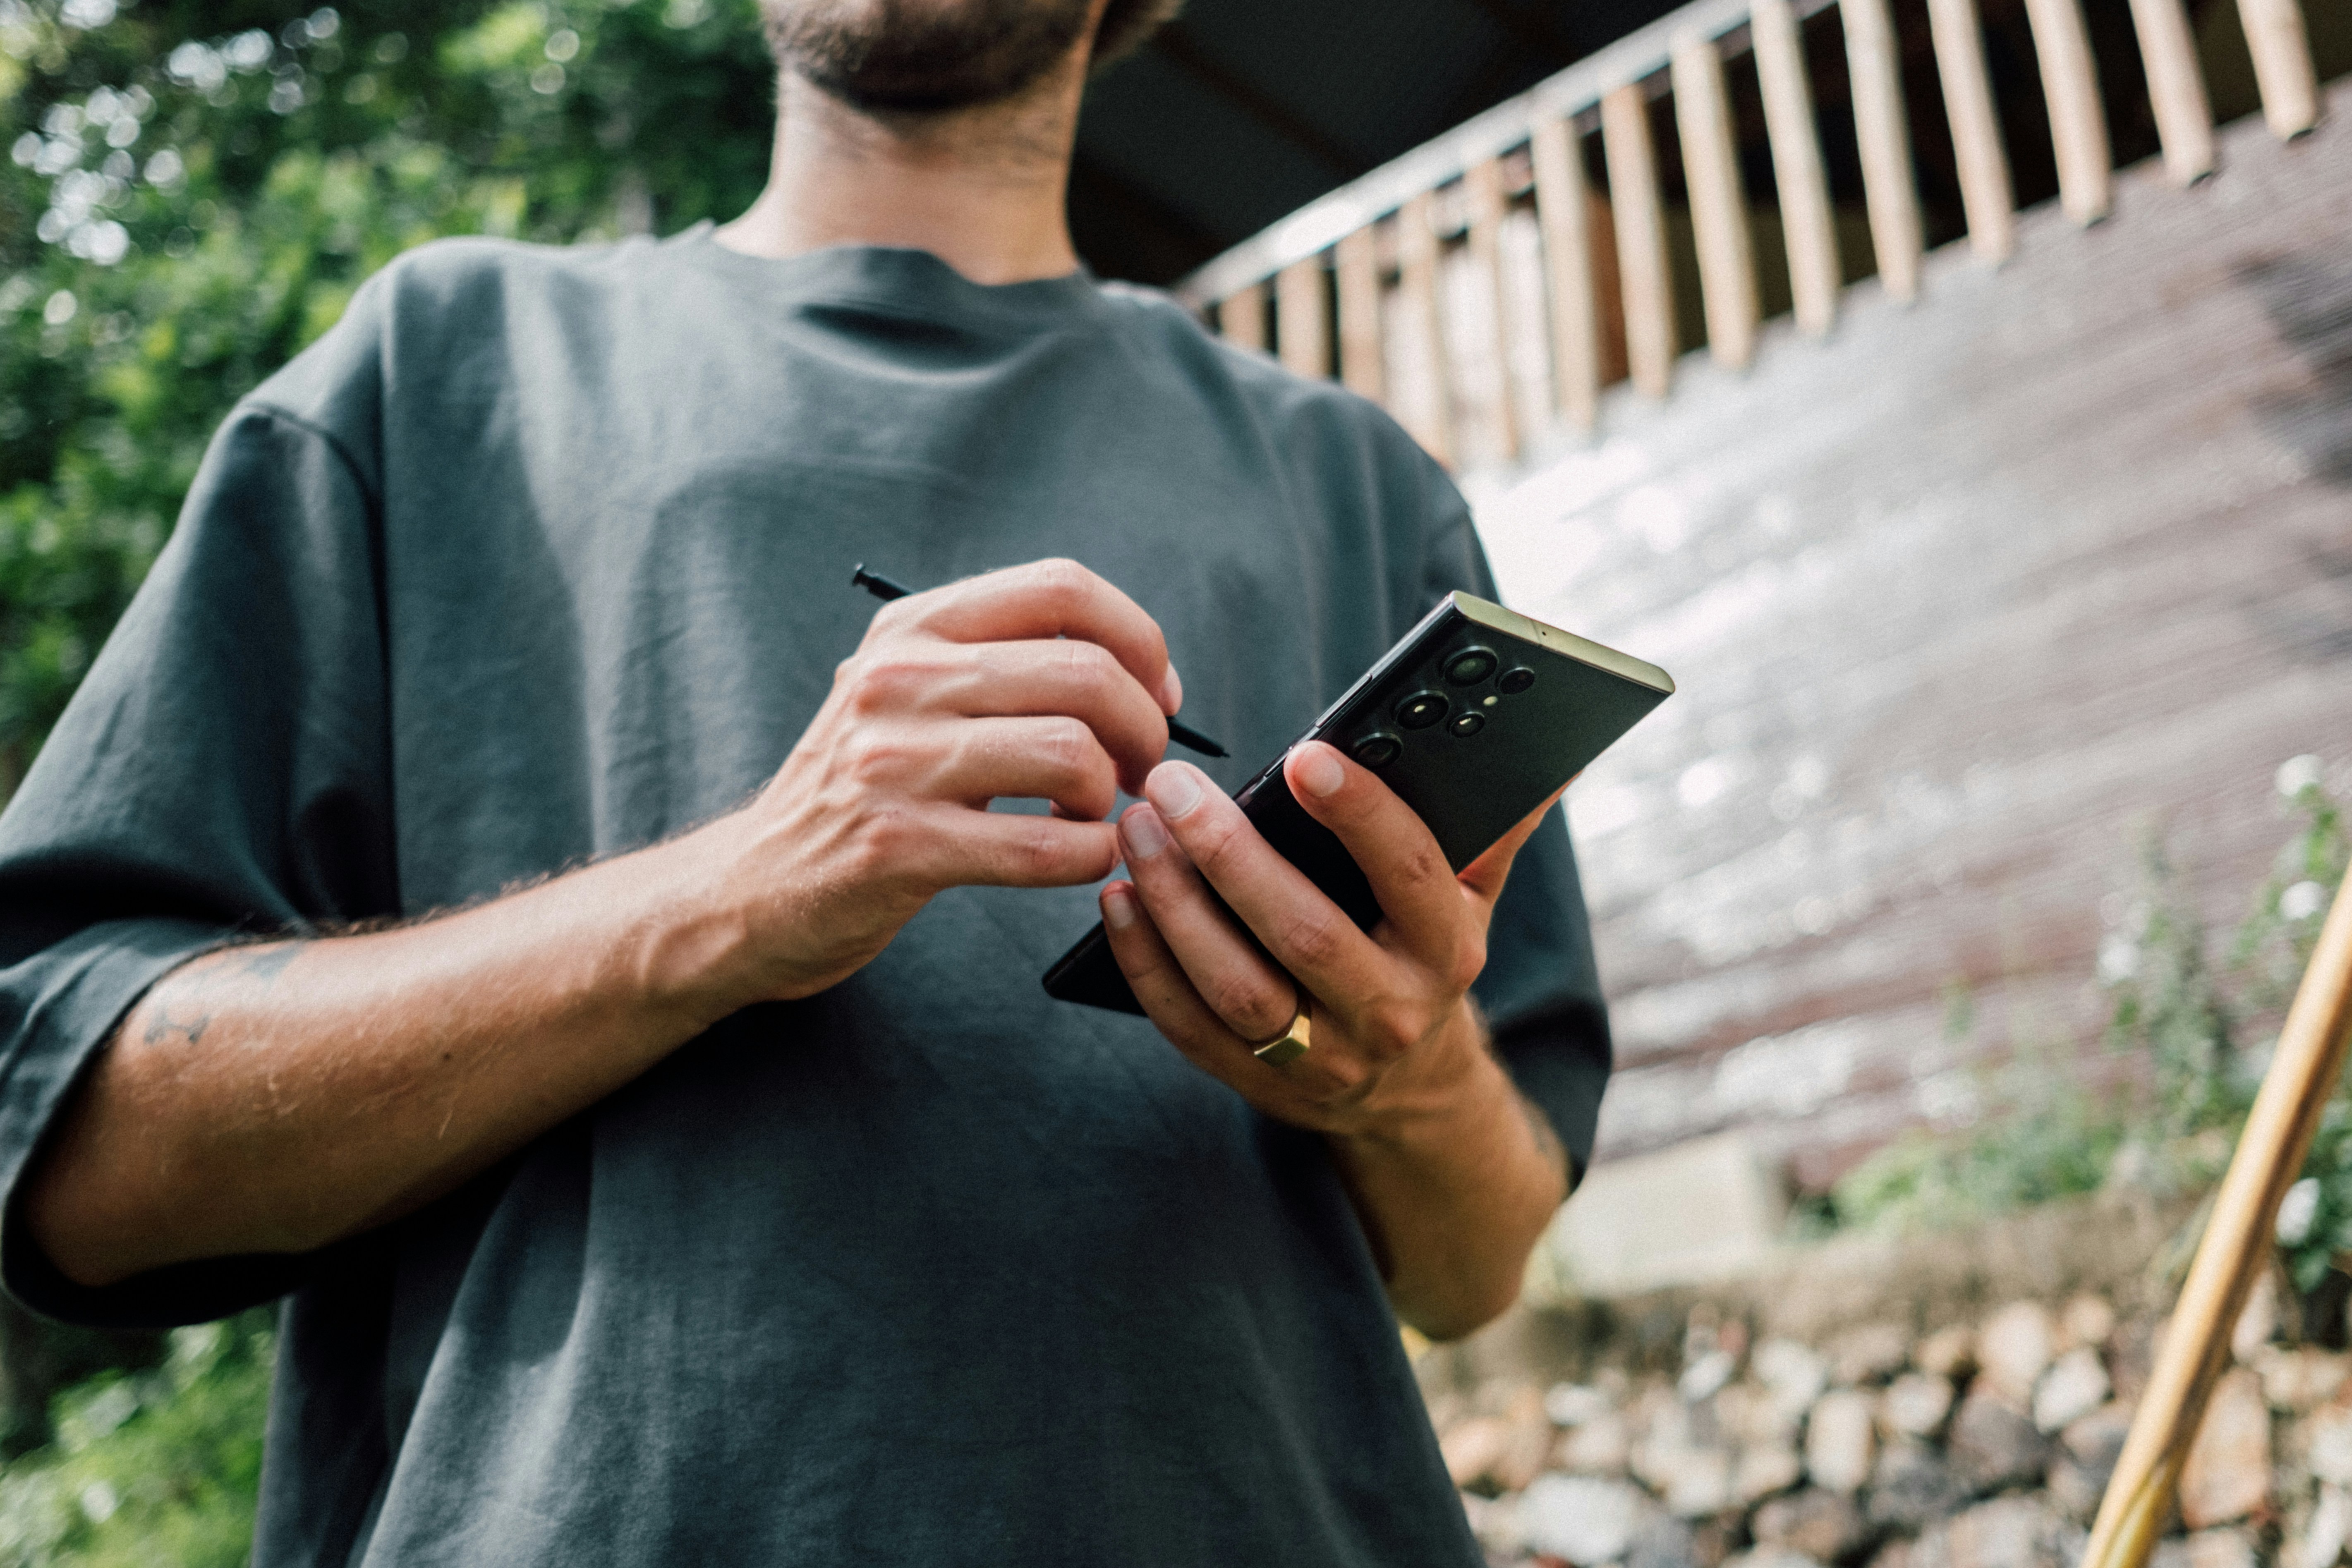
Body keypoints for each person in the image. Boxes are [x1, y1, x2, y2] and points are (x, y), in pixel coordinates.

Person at [0, 0, 1614, 1561]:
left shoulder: (1359, 484)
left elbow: (1476, 1265)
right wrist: (743, 889)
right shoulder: (437, 370)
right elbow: (72, 1162)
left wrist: (1400, 1080)